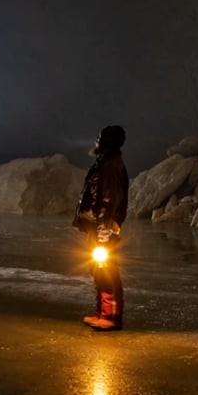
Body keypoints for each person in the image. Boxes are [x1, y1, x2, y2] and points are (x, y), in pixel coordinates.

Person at [74, 124, 129, 330]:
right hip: (98, 226)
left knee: (106, 269)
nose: (96, 141)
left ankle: (111, 317)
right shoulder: (106, 162)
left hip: (103, 227)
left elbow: (108, 199)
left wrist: (103, 229)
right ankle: (103, 313)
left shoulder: (110, 166)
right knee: (99, 269)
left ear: (106, 142)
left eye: (99, 138)